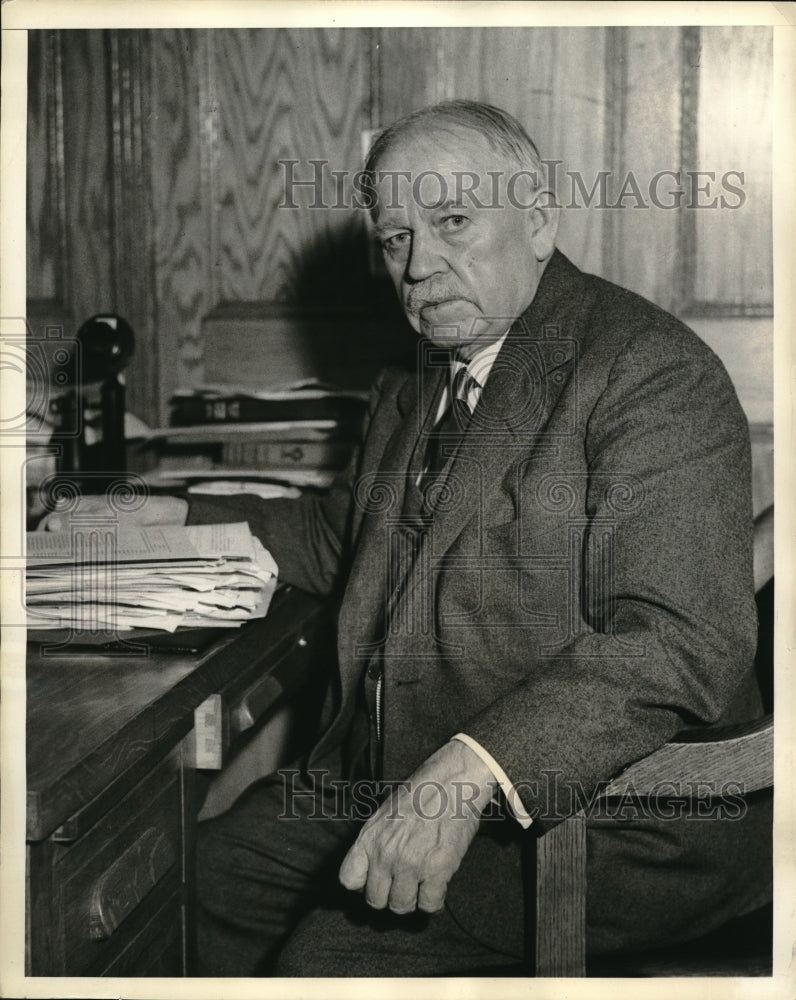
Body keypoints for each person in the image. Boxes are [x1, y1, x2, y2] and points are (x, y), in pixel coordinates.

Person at [42, 100, 771, 976]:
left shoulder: (647, 372)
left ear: (539, 219)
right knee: (183, 891)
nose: (420, 265)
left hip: (596, 819)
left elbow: (680, 642)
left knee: (319, 965)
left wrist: (467, 772)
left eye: (453, 221)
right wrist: (166, 514)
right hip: (391, 775)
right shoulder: (418, 377)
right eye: (396, 239)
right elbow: (341, 538)